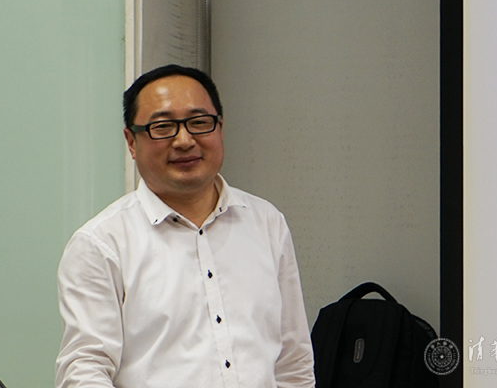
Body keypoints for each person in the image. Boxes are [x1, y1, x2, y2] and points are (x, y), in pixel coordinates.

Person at [55, 64, 315, 388]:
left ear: (220, 128)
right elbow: (85, 370)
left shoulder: (266, 222)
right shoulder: (101, 244)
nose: (184, 140)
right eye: (162, 127)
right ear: (131, 142)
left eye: (199, 122)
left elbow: (293, 362)